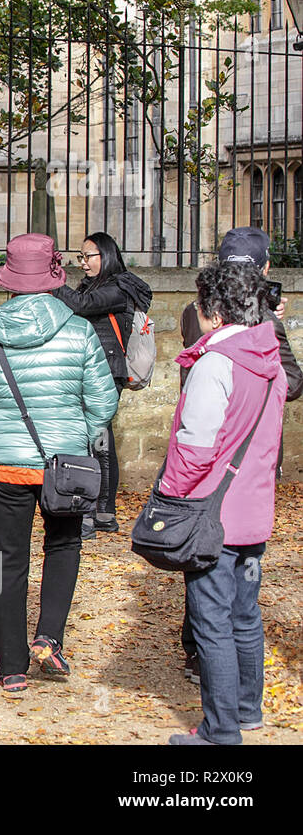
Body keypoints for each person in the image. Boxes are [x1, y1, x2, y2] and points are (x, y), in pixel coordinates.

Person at [0, 233, 118, 693]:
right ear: (53, 275)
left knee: (8, 561)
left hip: (5, 469)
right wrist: (74, 440)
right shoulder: (79, 329)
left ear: (8, 279)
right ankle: (48, 637)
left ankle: (11, 668)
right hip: (64, 466)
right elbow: (103, 403)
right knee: (63, 547)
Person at [165, 261, 285, 745]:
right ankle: (246, 710)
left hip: (212, 514)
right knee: (244, 616)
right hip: (254, 510)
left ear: (213, 310)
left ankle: (220, 730)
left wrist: (170, 495)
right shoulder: (270, 359)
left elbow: (194, 448)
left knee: (211, 619)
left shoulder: (215, 363)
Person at [175, 226, 301, 687]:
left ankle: (208, 673)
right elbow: (290, 381)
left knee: (212, 579)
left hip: (218, 462)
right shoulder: (255, 323)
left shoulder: (199, 313)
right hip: (247, 464)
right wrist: (274, 323)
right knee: (238, 598)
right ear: (265, 268)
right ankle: (237, 702)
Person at [50, 231, 152, 539]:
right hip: (89, 371)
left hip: (106, 373)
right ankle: (102, 513)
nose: (82, 263)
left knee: (95, 441)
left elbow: (81, 305)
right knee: (97, 442)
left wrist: (50, 280)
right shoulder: (92, 285)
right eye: (80, 257)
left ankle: (93, 514)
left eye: (88, 257)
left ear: (105, 256)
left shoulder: (119, 288)